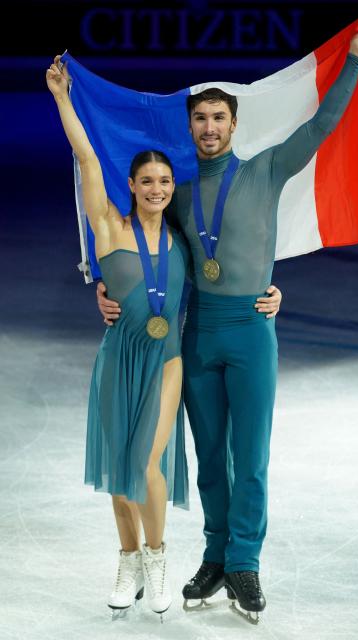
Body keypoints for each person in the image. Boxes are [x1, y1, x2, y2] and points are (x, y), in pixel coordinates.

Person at [98, 16, 358, 623]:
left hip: (251, 329)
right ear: (189, 125)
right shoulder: (173, 191)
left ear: (233, 123)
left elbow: (324, 125)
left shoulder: (268, 167)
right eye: (199, 118)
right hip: (199, 332)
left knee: (249, 455)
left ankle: (245, 563)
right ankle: (215, 556)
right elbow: (137, 244)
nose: (208, 127)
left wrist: (355, 60)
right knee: (208, 457)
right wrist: (102, 284)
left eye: (218, 118)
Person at [46, 56, 191, 620]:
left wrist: (271, 295)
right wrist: (62, 97)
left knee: (146, 462)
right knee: (117, 466)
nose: (156, 188)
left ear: (171, 186)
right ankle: (128, 557)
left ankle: (156, 559)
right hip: (119, 358)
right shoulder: (109, 225)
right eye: (146, 182)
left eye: (164, 181)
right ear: (130, 185)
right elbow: (85, 156)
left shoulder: (182, 236)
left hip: (167, 359)